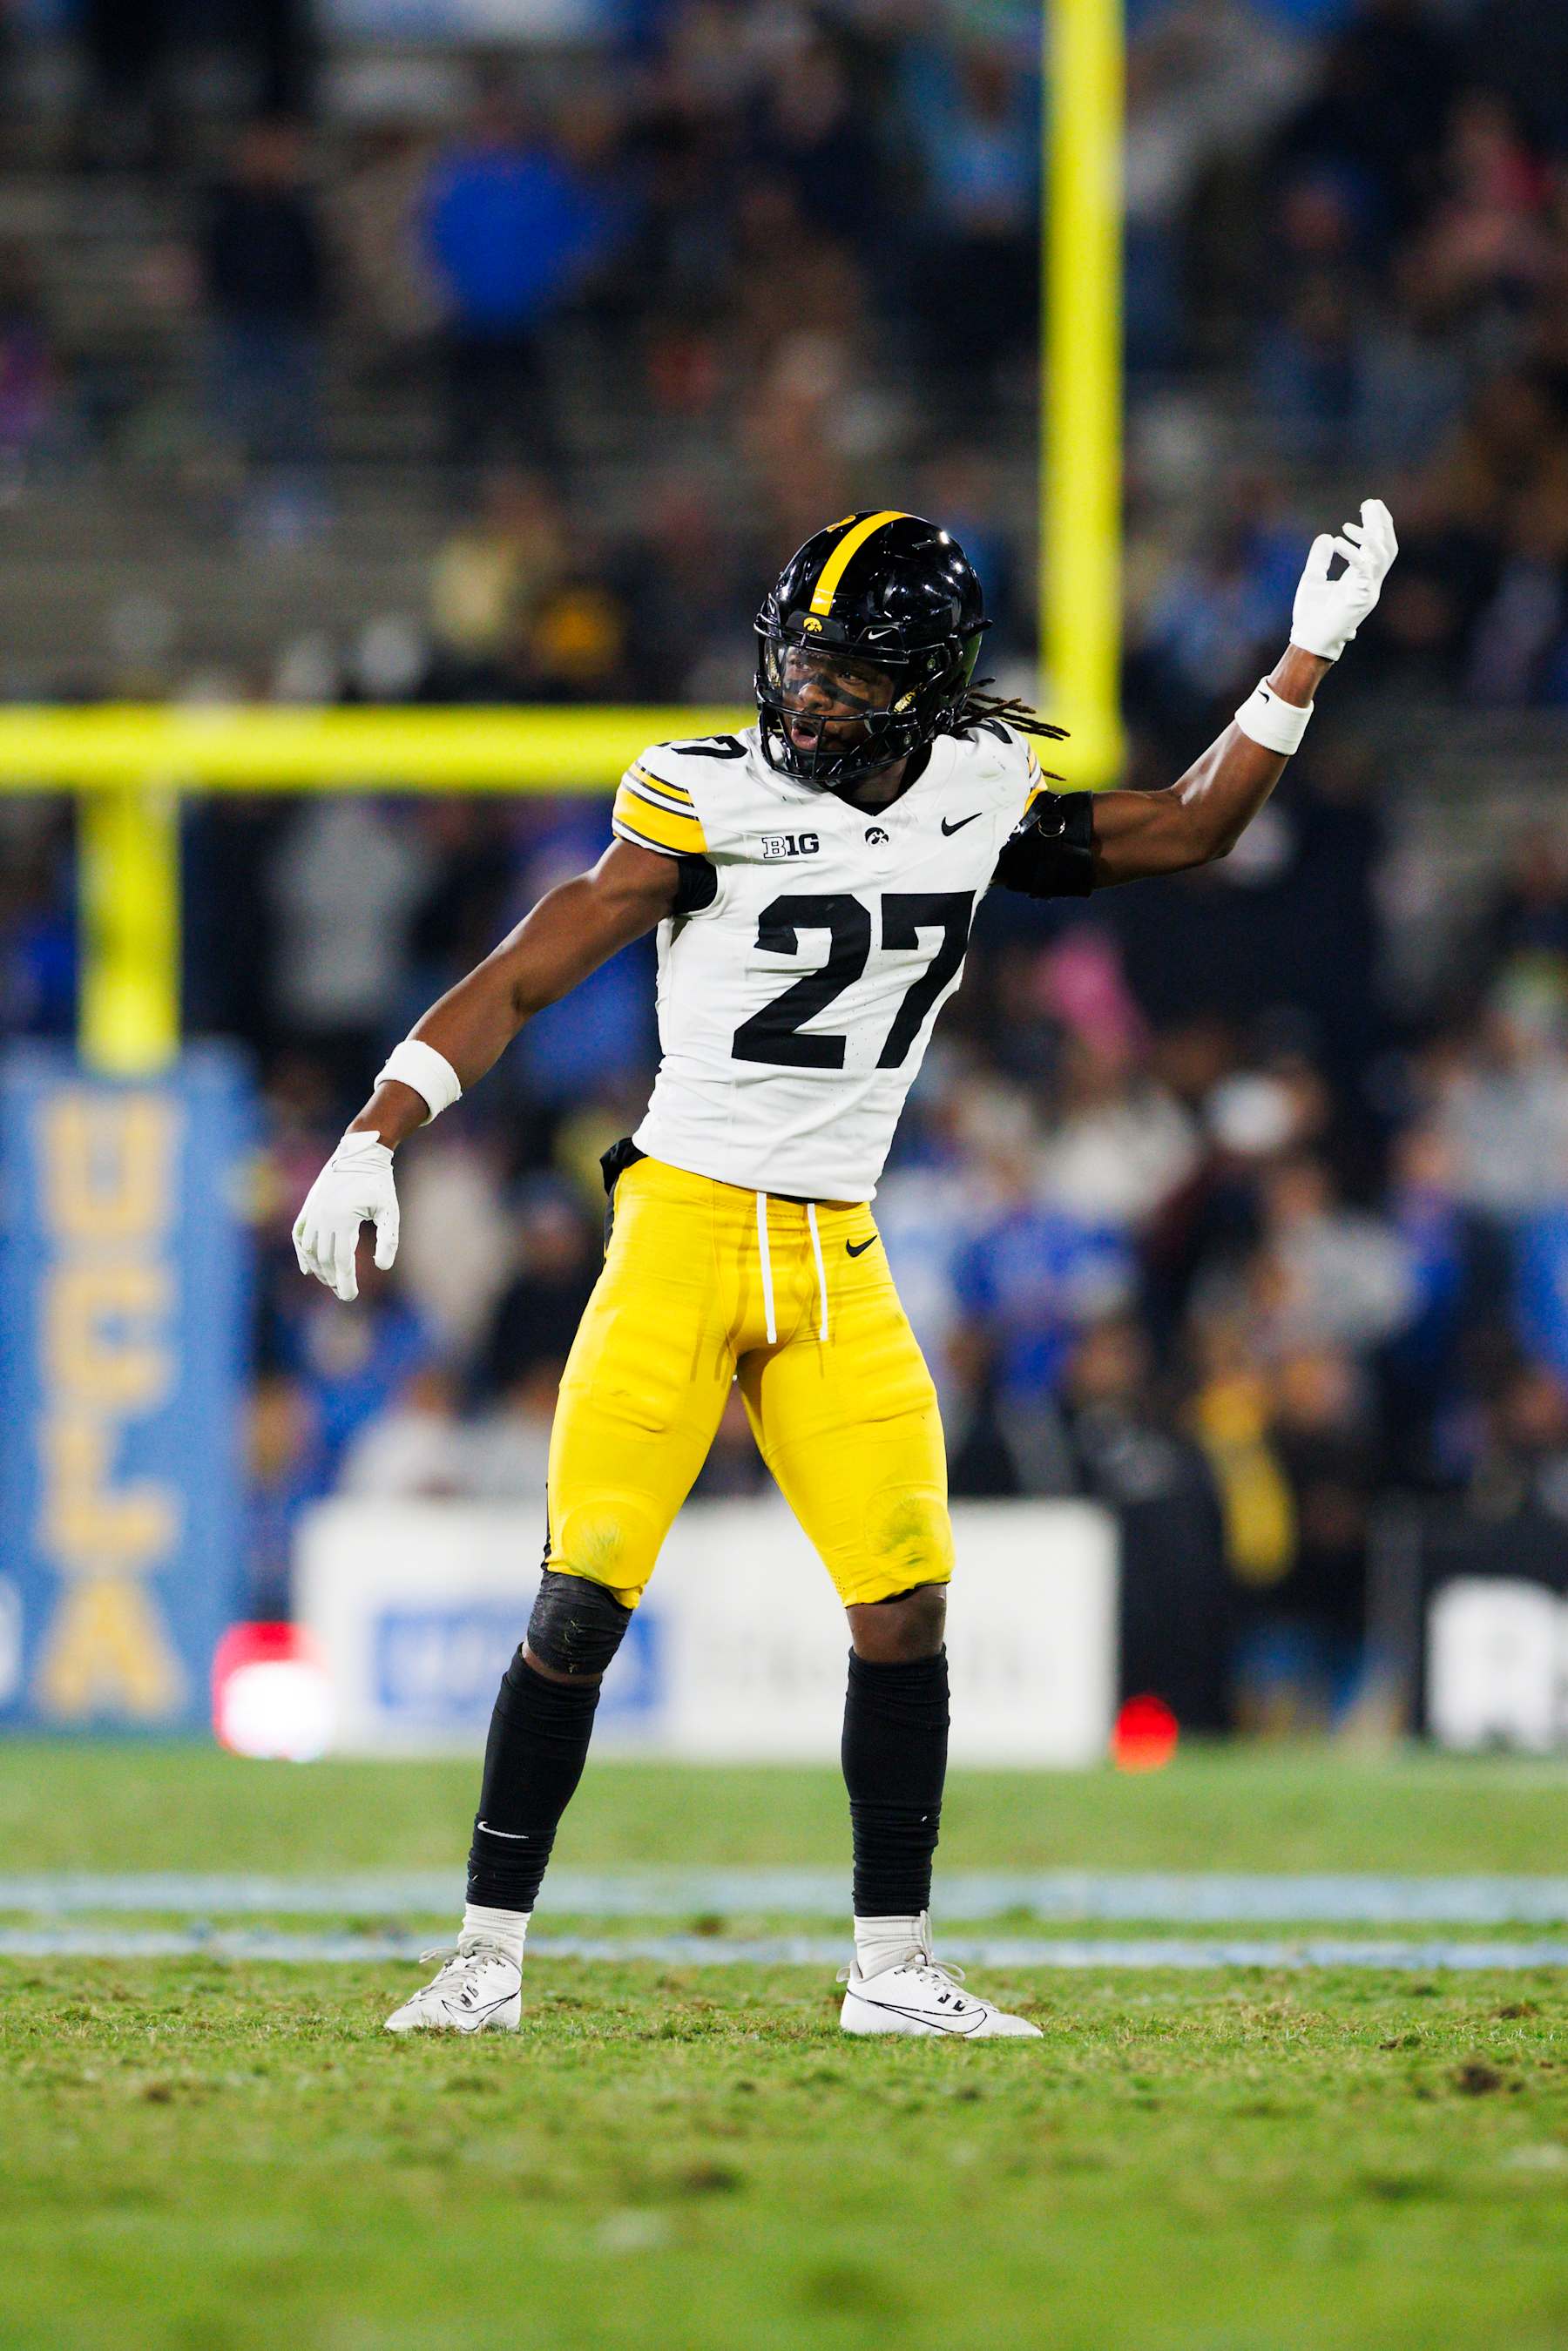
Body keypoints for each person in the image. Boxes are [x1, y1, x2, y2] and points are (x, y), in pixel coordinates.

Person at [294, 500, 1398, 2039]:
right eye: (799, 665)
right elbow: (536, 961)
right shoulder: (703, 796)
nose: (808, 697)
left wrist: (1309, 648)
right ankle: (485, 1953)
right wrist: (379, 1125)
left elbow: (1196, 825)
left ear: (933, 686)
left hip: (835, 1244)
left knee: (906, 1605)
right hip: (681, 1227)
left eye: (848, 675)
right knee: (580, 1603)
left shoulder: (979, 782)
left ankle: (891, 1968)